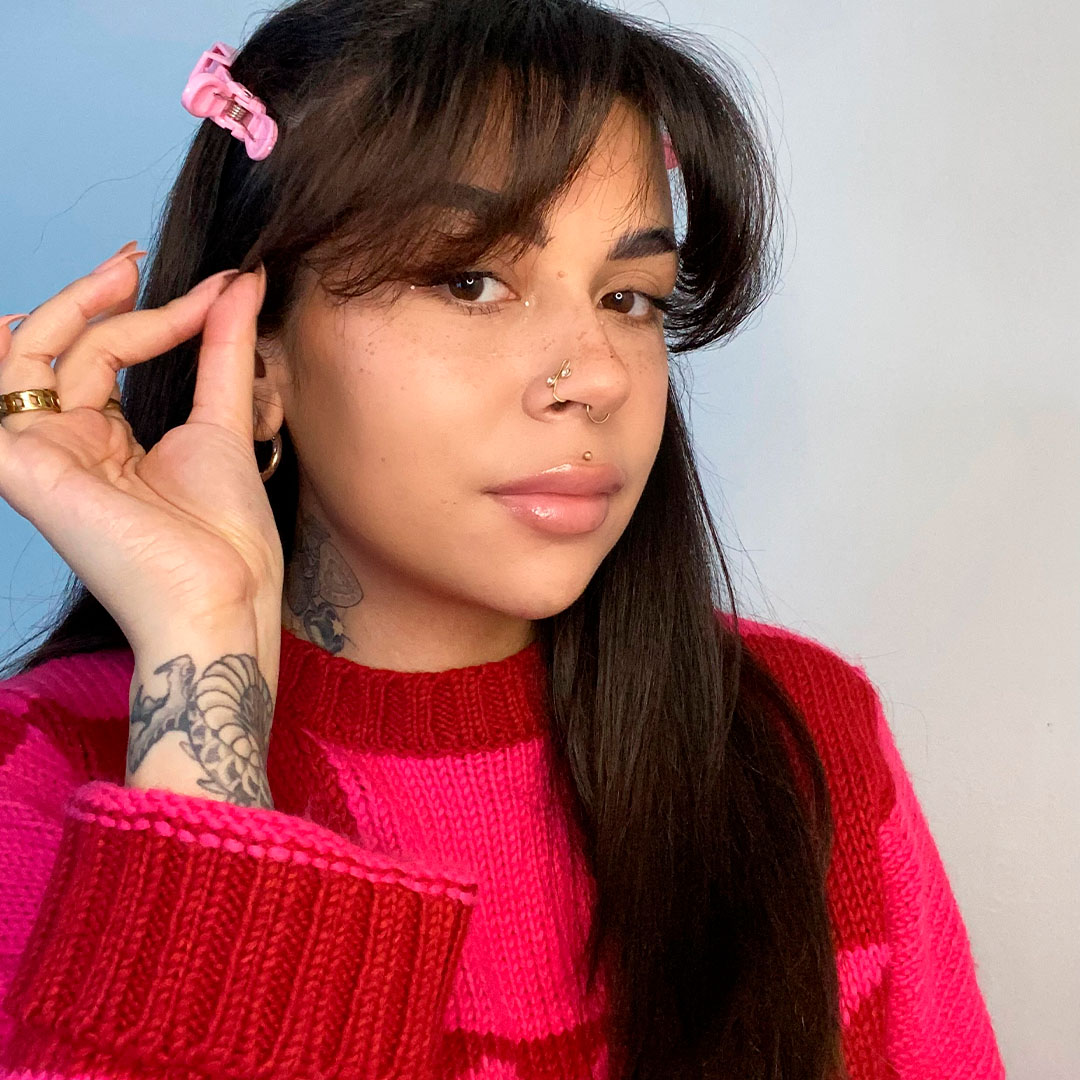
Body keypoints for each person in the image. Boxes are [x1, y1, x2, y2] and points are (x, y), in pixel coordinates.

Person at [0, 2, 1006, 1078]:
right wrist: (204, 685)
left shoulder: (797, 740)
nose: (599, 376)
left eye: (629, 298)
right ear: (252, 355)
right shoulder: (38, 779)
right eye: (469, 281)